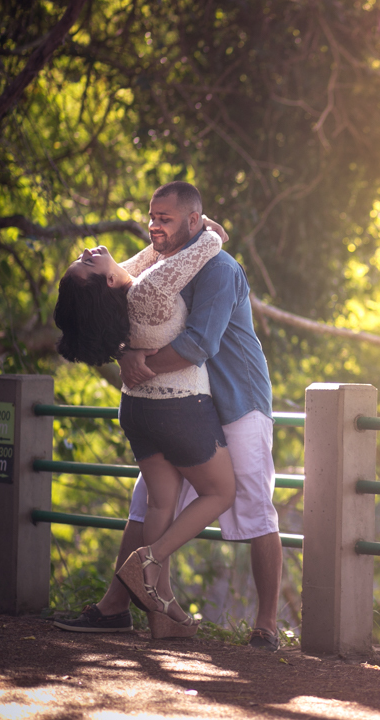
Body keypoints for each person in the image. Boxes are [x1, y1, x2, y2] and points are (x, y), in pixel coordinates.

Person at [55, 181, 284, 651]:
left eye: (167, 218)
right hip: (183, 404)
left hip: (236, 398)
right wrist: (124, 355)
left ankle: (266, 626)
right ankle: (115, 608)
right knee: (147, 505)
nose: (156, 226)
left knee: (256, 508)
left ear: (194, 222)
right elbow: (118, 306)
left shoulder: (218, 268)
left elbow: (198, 345)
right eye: (153, 217)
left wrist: (136, 367)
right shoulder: (163, 263)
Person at [53, 217, 234, 639]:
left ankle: (163, 619)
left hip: (138, 410)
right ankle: (147, 561)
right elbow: (205, 248)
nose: (85, 254)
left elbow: (153, 256)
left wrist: (159, 242)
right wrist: (206, 229)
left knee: (159, 505)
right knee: (221, 492)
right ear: (107, 285)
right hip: (180, 408)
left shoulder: (126, 289)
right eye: (85, 266)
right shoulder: (149, 290)